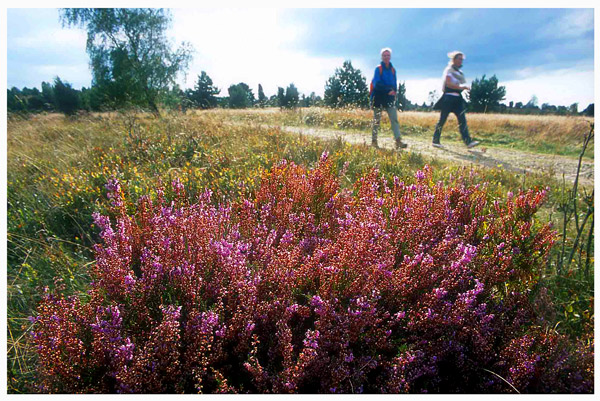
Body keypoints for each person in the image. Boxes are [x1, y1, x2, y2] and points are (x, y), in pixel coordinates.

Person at [432, 51, 479, 149]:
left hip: (458, 99)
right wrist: (462, 88)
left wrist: (462, 87)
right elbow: (449, 84)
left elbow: (461, 83)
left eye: (462, 59)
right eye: (459, 59)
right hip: (448, 98)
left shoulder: (459, 73)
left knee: (462, 120)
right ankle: (435, 140)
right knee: (442, 120)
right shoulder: (449, 70)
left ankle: (468, 142)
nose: (461, 61)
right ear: (454, 59)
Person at [370, 48, 407, 150]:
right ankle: (374, 141)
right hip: (378, 97)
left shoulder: (393, 70)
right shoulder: (378, 69)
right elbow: (376, 84)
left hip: (389, 98)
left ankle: (398, 141)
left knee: (394, 119)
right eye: (384, 55)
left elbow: (395, 84)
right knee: (376, 121)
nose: (386, 57)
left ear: (390, 57)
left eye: (388, 55)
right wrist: (388, 90)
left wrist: (394, 91)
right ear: (381, 57)